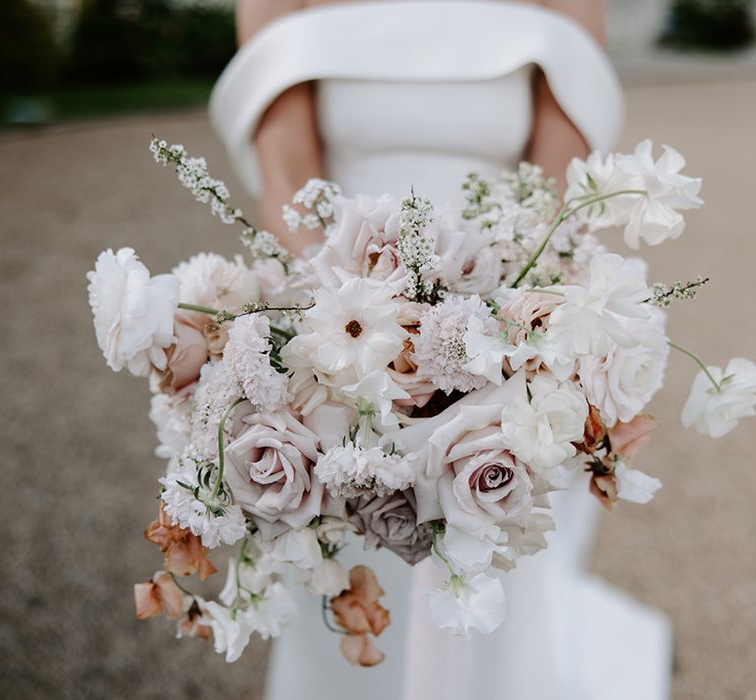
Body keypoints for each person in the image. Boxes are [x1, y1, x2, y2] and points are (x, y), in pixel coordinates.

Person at [211, 2, 672, 698]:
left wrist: (492, 341)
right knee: (343, 574)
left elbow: (554, 188)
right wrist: (341, 340)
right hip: (337, 333)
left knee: (488, 583)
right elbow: (286, 184)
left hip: (498, 327)